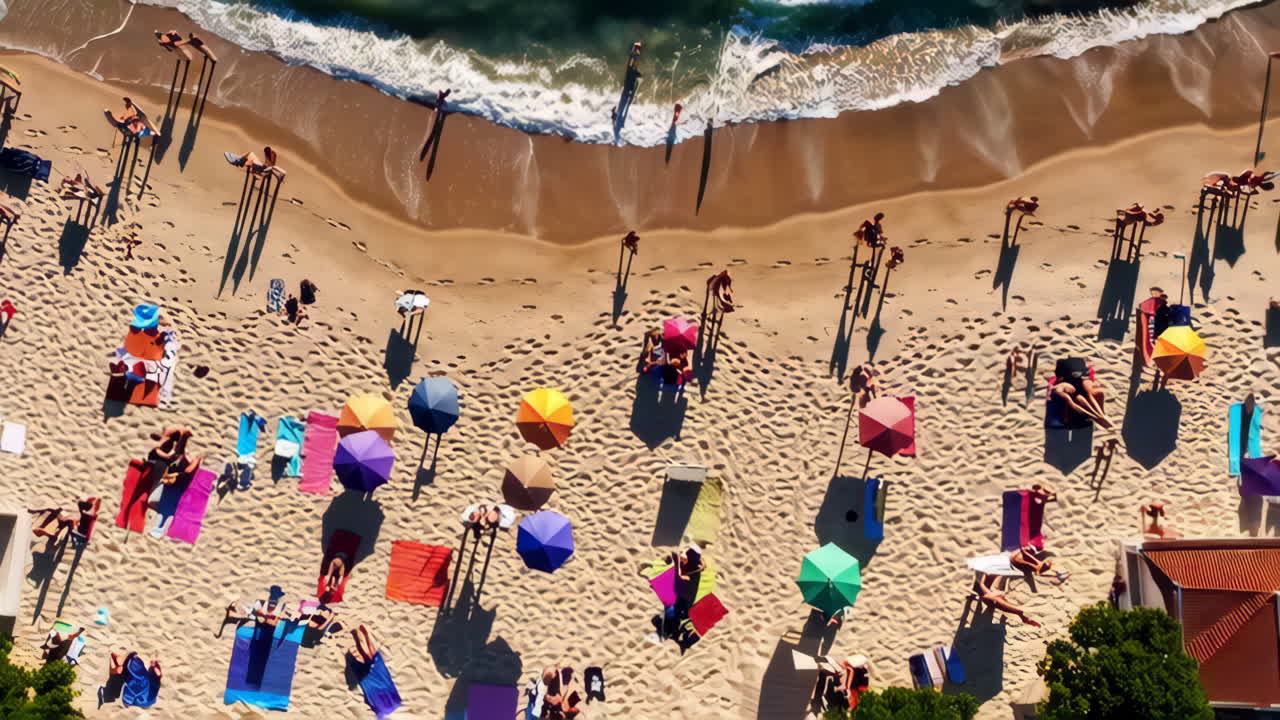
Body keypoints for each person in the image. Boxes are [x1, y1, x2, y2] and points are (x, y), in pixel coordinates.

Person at [1052, 360, 1111, 429]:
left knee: (1084, 397)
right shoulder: (1062, 387)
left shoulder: (1079, 381)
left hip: (1077, 393)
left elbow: (1089, 395)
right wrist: (1095, 416)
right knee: (1080, 399)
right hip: (1072, 403)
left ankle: (1101, 416)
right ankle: (1101, 417)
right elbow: (1071, 403)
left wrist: (1099, 415)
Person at [974, 573, 1040, 627]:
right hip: (989, 598)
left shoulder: (998, 576)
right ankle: (1020, 612)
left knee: (1000, 599)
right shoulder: (984, 577)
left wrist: (999, 592)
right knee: (997, 599)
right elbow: (982, 585)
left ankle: (1020, 613)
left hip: (995, 597)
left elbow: (1003, 589)